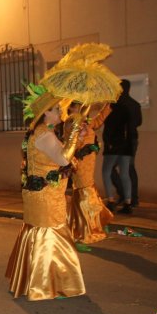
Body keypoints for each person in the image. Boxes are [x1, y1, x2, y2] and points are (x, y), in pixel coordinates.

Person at [6, 89, 87, 300]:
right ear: (46, 113)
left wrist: (76, 138)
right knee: (51, 235)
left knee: (41, 232)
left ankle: (41, 282)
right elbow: (63, 160)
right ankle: (52, 284)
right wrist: (76, 128)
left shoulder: (45, 132)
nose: (61, 111)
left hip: (45, 196)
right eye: (56, 109)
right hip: (46, 198)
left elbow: (60, 154)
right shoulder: (44, 134)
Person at [66, 102, 113, 249]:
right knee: (85, 194)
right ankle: (83, 233)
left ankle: (97, 223)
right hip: (79, 164)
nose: (83, 110)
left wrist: (108, 106)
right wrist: (83, 148)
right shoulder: (71, 123)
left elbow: (98, 121)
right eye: (79, 108)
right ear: (72, 109)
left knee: (89, 191)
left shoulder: (85, 122)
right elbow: (69, 144)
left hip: (89, 163)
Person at [102, 80, 139, 214]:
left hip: (114, 144)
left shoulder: (112, 107)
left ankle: (111, 200)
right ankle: (129, 201)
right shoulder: (133, 105)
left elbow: (107, 126)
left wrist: (108, 143)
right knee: (126, 172)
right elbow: (137, 123)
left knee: (106, 171)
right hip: (128, 144)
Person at [110, 79, 142, 207]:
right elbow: (139, 122)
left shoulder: (116, 105)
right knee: (129, 168)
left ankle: (124, 194)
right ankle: (132, 197)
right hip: (131, 139)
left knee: (111, 168)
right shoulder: (135, 104)